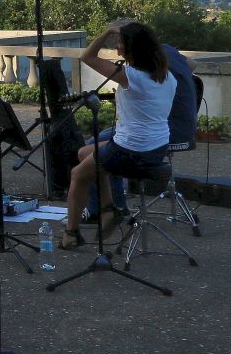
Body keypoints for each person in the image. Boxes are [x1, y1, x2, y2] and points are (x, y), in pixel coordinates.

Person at [58, 21, 180, 250]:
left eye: (120, 45)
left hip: (132, 151)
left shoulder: (131, 76)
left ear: (132, 50)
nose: (117, 50)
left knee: (77, 174)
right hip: (157, 148)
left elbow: (87, 56)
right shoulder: (167, 77)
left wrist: (106, 32)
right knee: (86, 152)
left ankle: (71, 234)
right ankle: (108, 209)